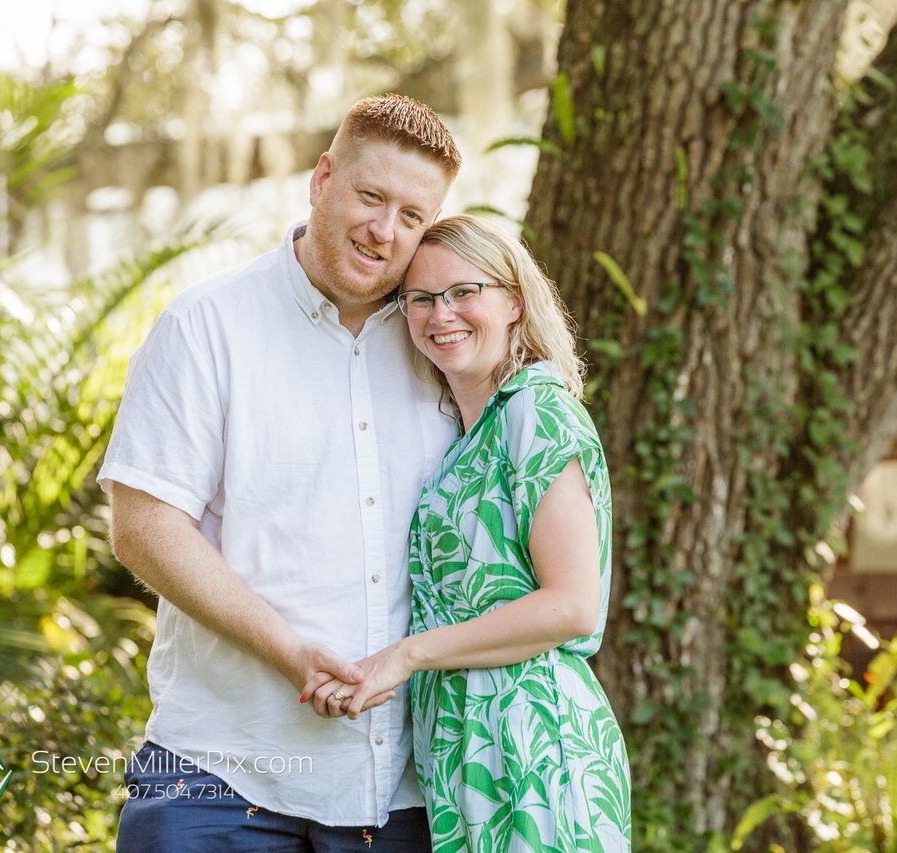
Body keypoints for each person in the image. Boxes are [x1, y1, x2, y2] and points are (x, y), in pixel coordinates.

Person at [97, 94, 462, 852]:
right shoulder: (206, 325)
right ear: (321, 177)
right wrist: (292, 652)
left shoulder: (447, 345)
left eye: (412, 216)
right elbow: (144, 528)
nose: (384, 230)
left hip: (397, 790)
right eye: (371, 196)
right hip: (219, 779)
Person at [311, 215, 632, 852]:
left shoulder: (535, 409)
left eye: (465, 291)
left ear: (513, 300)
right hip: (464, 747)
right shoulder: (466, 435)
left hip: (532, 742)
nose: (441, 314)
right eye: (421, 298)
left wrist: (405, 656)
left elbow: (571, 606)